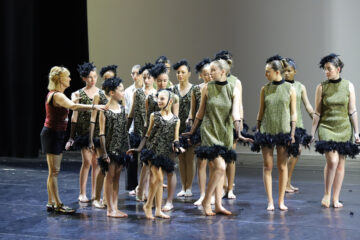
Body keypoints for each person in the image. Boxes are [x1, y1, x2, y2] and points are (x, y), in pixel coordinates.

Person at [183, 59, 252, 216]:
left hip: (225, 132)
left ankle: (219, 204)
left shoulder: (233, 88)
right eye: (209, 70)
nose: (210, 73)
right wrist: (192, 131)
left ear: (223, 72)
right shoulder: (207, 88)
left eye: (213, 70)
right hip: (209, 131)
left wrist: (239, 133)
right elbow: (200, 113)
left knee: (220, 169)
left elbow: (235, 113)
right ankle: (208, 200)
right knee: (220, 168)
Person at [40, 66, 103, 214]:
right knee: (54, 171)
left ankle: (51, 202)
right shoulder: (57, 95)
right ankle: (58, 204)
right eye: (67, 77)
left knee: (53, 171)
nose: (69, 79)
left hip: (56, 134)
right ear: (60, 79)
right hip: (52, 134)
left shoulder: (59, 94)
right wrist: (94, 106)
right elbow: (73, 106)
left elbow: (70, 104)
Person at [311, 54, 360, 208]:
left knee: (340, 164)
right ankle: (326, 193)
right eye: (325, 69)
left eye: (329, 69)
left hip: (344, 128)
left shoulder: (348, 86)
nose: (326, 72)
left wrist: (357, 132)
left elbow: (352, 110)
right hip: (327, 127)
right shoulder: (321, 87)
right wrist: (312, 133)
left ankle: (336, 198)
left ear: (338, 69)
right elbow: (317, 112)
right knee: (332, 161)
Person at [127, 89, 183, 219]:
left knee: (158, 181)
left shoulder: (176, 120)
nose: (159, 101)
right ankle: (148, 205)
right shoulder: (154, 115)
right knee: (158, 179)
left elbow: (175, 138)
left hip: (165, 154)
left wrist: (178, 147)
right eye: (158, 98)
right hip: (152, 151)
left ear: (170, 101)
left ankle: (158, 209)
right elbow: (147, 135)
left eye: (162, 99)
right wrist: (138, 149)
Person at [251, 55, 297, 211]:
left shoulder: (290, 89)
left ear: (277, 71)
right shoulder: (265, 89)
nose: (265, 75)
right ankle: (270, 201)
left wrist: (292, 133)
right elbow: (261, 111)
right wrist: (257, 130)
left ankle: (281, 201)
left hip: (283, 131)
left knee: (282, 167)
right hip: (267, 131)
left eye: (268, 71)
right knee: (268, 166)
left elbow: (293, 114)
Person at [66, 62, 106, 203]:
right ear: (84, 78)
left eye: (94, 76)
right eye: (89, 77)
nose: (92, 80)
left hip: (98, 133)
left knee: (96, 163)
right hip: (84, 133)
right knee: (87, 162)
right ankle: (82, 193)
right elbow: (74, 116)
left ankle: (95, 193)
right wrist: (71, 137)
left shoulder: (101, 93)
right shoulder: (77, 94)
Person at [98, 77, 130, 218]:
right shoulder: (104, 110)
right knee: (109, 177)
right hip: (110, 150)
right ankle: (109, 208)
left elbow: (124, 131)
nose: (123, 92)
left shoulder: (122, 109)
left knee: (117, 177)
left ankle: (115, 207)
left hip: (121, 149)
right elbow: (102, 134)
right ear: (111, 92)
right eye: (120, 90)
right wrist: (104, 153)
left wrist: (127, 149)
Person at [283, 58, 314, 193]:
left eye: (289, 71)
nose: (286, 73)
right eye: (284, 71)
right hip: (285, 125)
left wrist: (315, 117)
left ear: (295, 71)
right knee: (286, 154)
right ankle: (285, 183)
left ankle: (287, 182)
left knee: (296, 152)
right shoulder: (280, 86)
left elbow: (307, 105)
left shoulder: (300, 87)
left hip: (298, 124)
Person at [127, 63, 156, 199]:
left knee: (149, 163)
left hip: (152, 133)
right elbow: (131, 113)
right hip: (139, 132)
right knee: (142, 163)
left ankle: (144, 190)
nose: (146, 80)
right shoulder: (137, 93)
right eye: (144, 77)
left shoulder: (157, 94)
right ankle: (141, 189)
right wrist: (125, 131)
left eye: (149, 77)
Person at [91, 64, 117, 208]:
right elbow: (93, 117)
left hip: (114, 136)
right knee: (103, 166)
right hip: (101, 136)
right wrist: (90, 139)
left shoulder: (118, 94)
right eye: (106, 78)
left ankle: (108, 198)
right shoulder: (98, 95)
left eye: (111, 78)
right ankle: (96, 198)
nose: (108, 81)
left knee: (112, 168)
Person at [171, 59, 196, 198]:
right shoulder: (173, 89)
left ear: (189, 74)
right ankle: (183, 186)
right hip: (177, 128)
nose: (180, 75)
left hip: (189, 128)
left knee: (190, 158)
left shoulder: (194, 89)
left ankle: (189, 187)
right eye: (178, 72)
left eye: (183, 72)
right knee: (180, 158)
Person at [124, 64, 143, 192]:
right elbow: (127, 112)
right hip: (132, 129)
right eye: (133, 73)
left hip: (145, 128)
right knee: (132, 158)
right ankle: (132, 186)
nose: (135, 76)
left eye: (137, 73)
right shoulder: (128, 91)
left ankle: (143, 185)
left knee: (145, 159)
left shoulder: (148, 90)